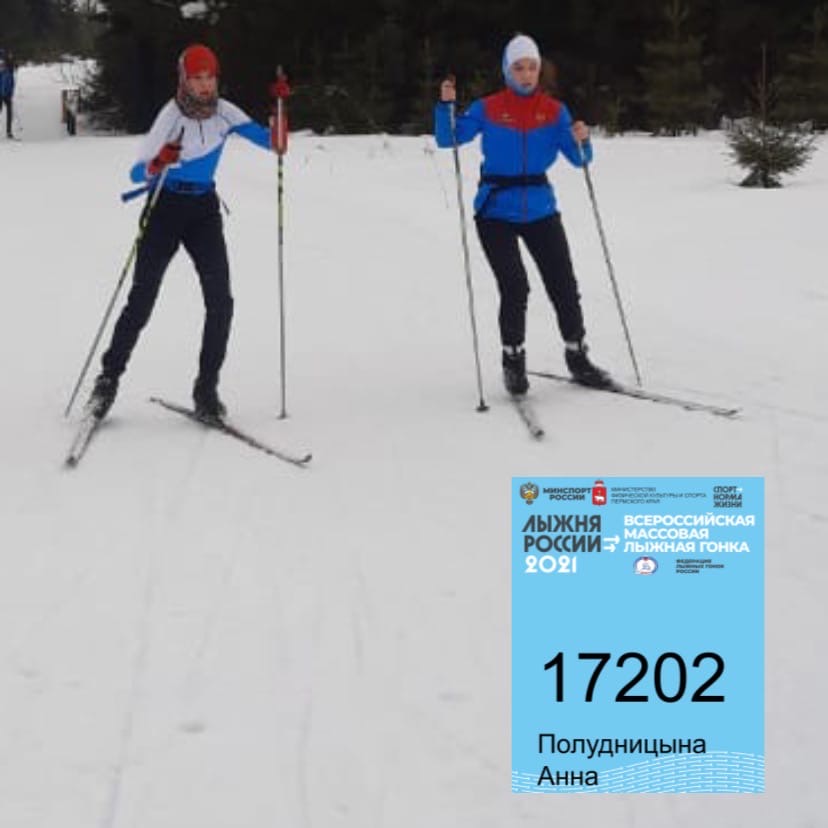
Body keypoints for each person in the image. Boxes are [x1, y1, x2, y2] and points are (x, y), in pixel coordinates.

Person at [87, 44, 273, 422]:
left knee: (221, 302)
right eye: (196, 78)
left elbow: (274, 142)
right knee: (141, 301)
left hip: (203, 211)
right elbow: (137, 172)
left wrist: (281, 110)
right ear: (184, 80)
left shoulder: (225, 113)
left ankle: (206, 390)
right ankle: (106, 382)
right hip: (165, 209)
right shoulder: (170, 116)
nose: (204, 85)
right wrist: (159, 161)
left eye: (210, 77)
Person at [434, 33, 611, 396]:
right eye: (519, 67)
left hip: (541, 208)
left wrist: (582, 138)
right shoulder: (488, 107)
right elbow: (448, 138)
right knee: (515, 285)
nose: (526, 74)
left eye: (532, 67)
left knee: (563, 283)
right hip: (495, 210)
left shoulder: (554, 111)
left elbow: (579, 159)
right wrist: (445, 106)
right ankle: (513, 361)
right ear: (507, 70)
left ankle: (578, 356)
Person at [0, 50, 16, 139]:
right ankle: (9, 132)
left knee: (9, 113)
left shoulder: (10, 71)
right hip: (1, 94)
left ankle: (9, 132)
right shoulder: (2, 71)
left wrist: (11, 93)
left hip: (7, 94)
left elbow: (12, 83)